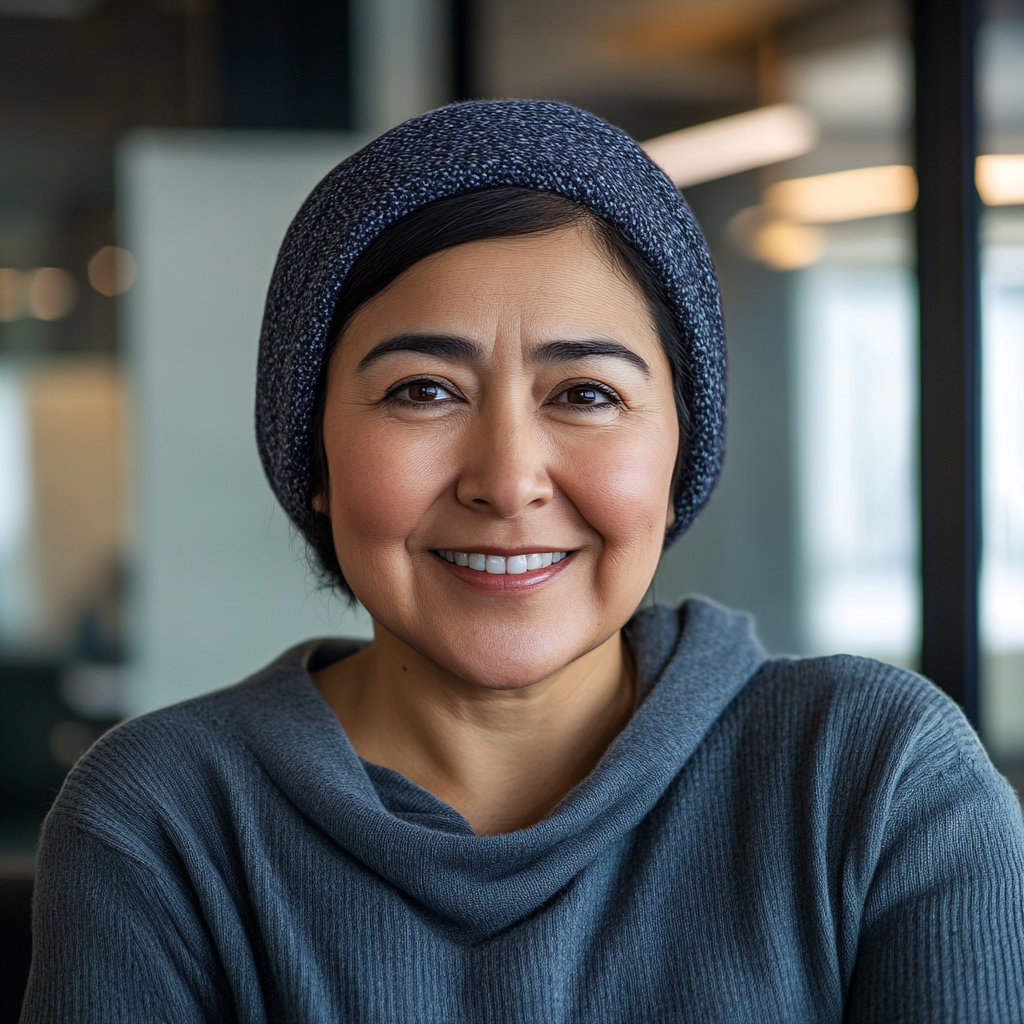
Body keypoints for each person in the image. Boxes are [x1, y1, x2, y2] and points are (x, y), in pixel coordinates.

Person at [20, 101, 1024, 1023]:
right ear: (312, 449)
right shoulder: (162, 821)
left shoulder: (874, 780)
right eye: (421, 390)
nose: (506, 480)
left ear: (680, 449)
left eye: (584, 393)